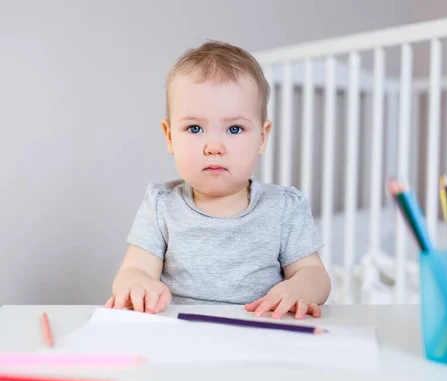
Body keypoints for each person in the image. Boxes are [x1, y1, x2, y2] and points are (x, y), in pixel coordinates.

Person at [105, 40, 331, 320]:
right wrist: (137, 285)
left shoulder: (283, 207)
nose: (213, 146)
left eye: (234, 129)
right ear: (169, 136)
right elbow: (133, 270)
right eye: (195, 128)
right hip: (182, 335)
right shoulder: (161, 205)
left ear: (262, 137)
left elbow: (314, 274)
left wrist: (299, 288)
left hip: (260, 333)